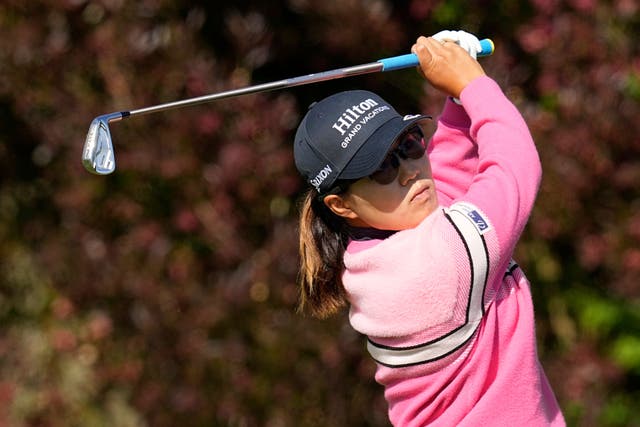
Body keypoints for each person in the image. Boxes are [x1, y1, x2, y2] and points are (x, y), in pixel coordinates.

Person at [293, 30, 566, 426]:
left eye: (409, 145)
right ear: (341, 205)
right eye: (381, 168)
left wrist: (457, 99)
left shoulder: (375, 254)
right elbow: (516, 165)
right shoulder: (433, 268)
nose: (409, 172)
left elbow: (448, 185)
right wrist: (473, 83)